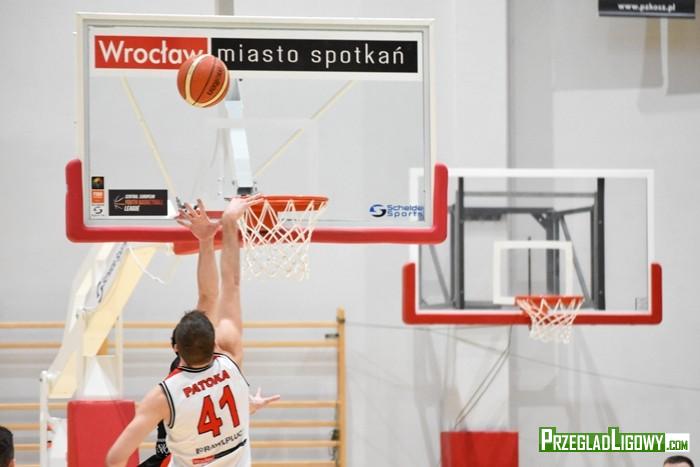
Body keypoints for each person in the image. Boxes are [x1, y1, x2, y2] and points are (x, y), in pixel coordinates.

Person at [107, 196, 279, 467]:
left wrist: (209, 236)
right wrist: (228, 223)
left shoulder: (162, 397)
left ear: (175, 346)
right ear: (214, 341)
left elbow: (114, 459)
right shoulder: (231, 358)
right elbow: (229, 286)